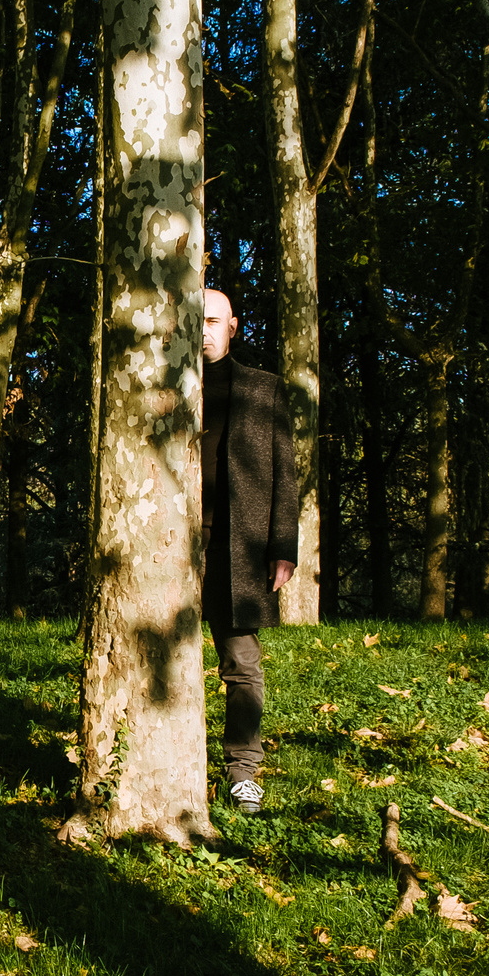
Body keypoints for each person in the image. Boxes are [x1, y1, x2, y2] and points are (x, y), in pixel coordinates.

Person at [201, 288, 298, 813]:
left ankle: (243, 771)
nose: (203, 331)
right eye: (194, 321)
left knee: (241, 663)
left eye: (212, 321)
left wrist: (283, 547)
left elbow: (286, 472)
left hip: (237, 547)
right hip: (168, 547)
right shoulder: (162, 387)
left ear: (233, 326)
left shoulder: (264, 389)